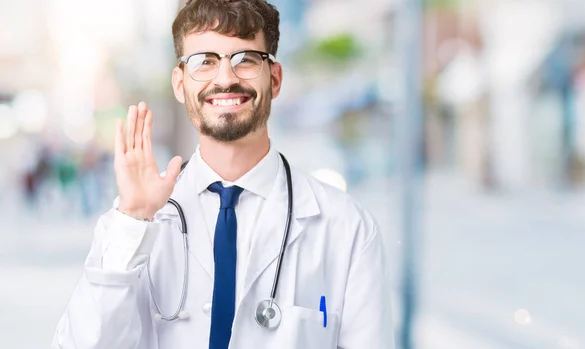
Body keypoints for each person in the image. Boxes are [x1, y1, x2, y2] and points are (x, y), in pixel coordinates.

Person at [52, 0, 394, 348]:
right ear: (179, 82)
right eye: (205, 62)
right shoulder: (141, 222)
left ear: (274, 79)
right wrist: (132, 220)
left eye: (245, 59)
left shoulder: (347, 228)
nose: (226, 78)